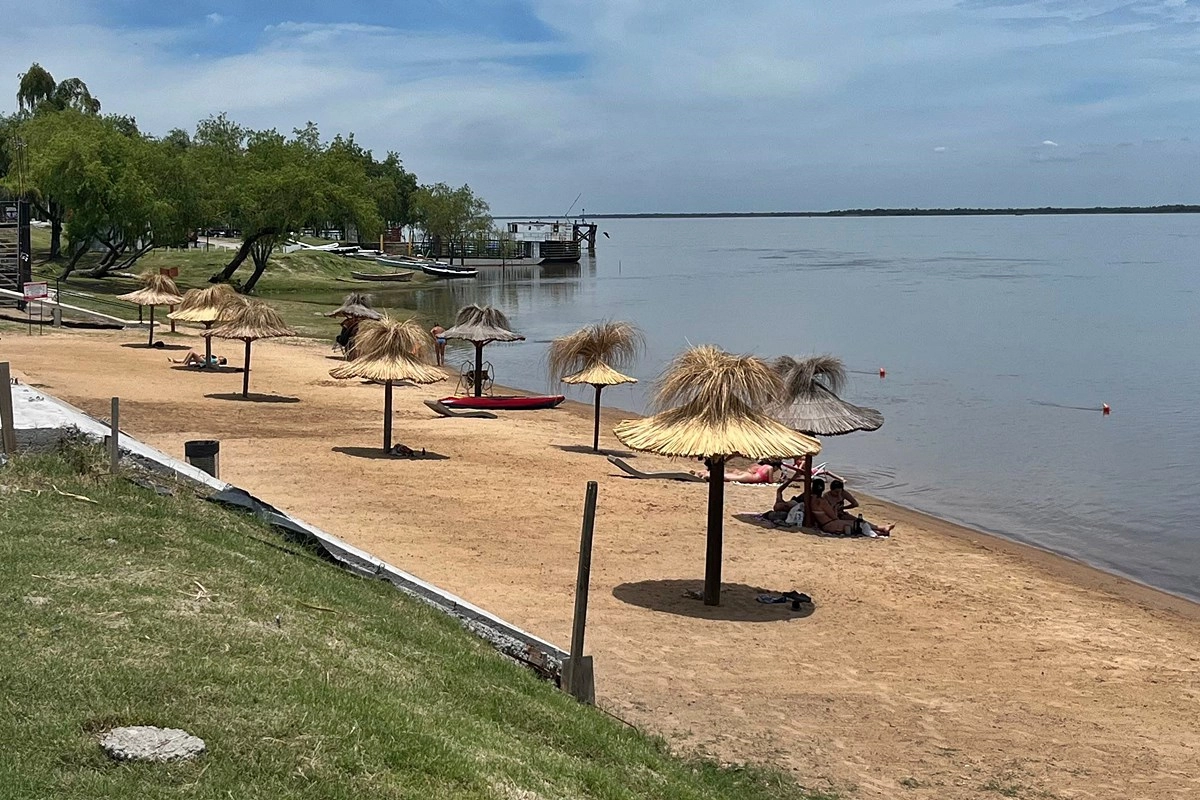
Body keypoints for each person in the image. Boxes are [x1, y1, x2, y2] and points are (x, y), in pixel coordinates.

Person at [828, 478, 894, 536]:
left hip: (841, 514)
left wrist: (843, 507)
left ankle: (881, 528)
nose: (837, 494)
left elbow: (855, 504)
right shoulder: (827, 496)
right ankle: (880, 531)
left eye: (839, 492)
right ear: (831, 490)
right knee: (857, 525)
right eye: (836, 492)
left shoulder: (843, 493)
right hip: (833, 516)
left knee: (860, 521)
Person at [691, 459, 782, 484]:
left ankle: (704, 473)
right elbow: (770, 481)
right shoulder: (770, 468)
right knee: (728, 478)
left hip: (748, 474)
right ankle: (708, 475)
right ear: (776, 466)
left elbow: (752, 469)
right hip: (750, 477)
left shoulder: (763, 466)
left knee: (728, 475)